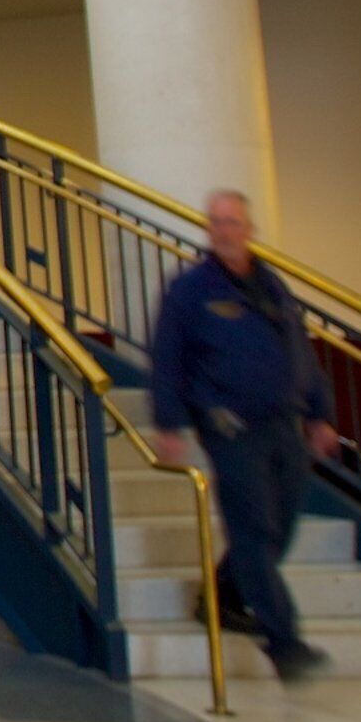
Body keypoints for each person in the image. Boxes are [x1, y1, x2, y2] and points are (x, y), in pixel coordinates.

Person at [149, 189, 335, 682]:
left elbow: (301, 353)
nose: (225, 230)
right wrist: (168, 422)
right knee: (253, 530)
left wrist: (320, 413)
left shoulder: (273, 288)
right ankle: (285, 643)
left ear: (249, 229)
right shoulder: (190, 291)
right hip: (229, 427)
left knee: (280, 528)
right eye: (216, 222)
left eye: (233, 222)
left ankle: (223, 595)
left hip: (284, 425)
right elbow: (167, 359)